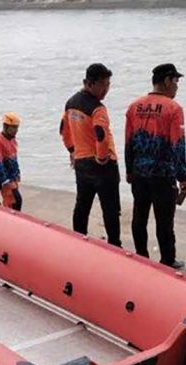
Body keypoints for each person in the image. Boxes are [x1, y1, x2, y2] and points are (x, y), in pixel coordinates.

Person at [125, 64, 186, 270]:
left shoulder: (134, 107)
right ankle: (167, 260)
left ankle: (141, 256)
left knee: (140, 215)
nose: (177, 87)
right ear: (167, 81)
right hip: (163, 174)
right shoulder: (174, 109)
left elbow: (128, 142)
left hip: (139, 172)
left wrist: (129, 170)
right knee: (164, 220)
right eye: (176, 81)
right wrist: (183, 177)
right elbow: (177, 145)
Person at [60, 63, 121, 247]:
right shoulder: (98, 109)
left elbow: (64, 130)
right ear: (89, 83)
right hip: (102, 164)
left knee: (82, 204)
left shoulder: (71, 103)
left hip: (81, 163)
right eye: (102, 85)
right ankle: (114, 245)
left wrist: (72, 150)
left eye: (108, 84)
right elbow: (101, 134)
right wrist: (102, 157)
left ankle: (78, 240)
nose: (106, 90)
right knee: (110, 208)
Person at [0, 112, 23, 211]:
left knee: (13, 202)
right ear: (5, 127)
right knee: (14, 201)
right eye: (13, 128)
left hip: (13, 177)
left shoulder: (12, 139)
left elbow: (14, 157)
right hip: (6, 178)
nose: (16, 131)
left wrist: (17, 173)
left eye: (17, 128)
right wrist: (5, 180)